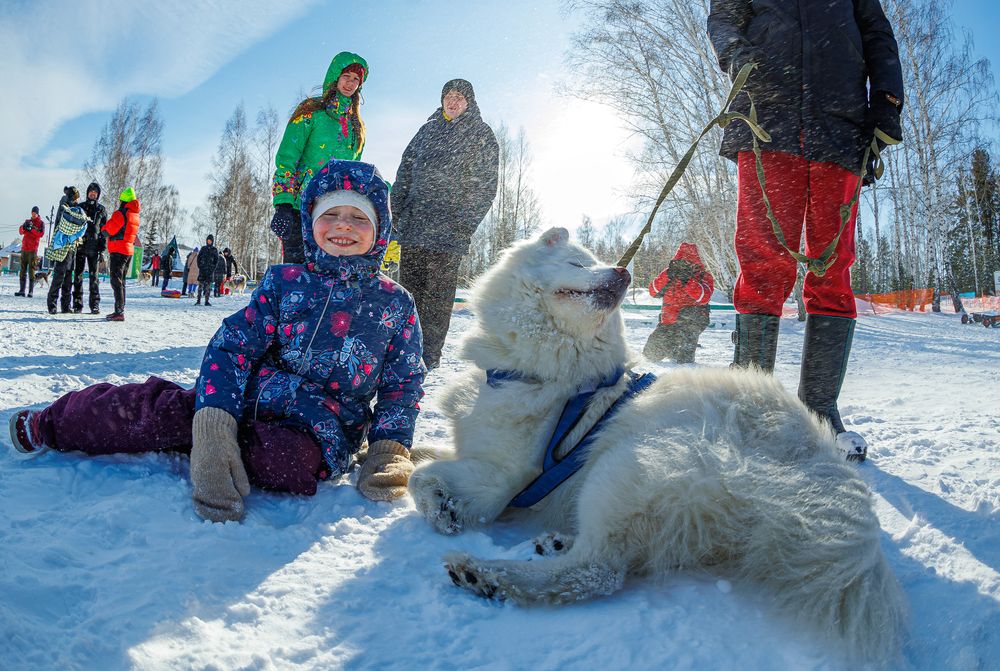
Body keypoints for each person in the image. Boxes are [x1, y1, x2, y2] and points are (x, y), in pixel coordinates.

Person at [8, 159, 425, 522]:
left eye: (359, 218)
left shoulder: (395, 304)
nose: (343, 227)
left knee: (291, 464)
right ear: (310, 220)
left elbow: (401, 385)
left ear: (380, 231)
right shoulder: (285, 282)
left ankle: (217, 449)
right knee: (152, 410)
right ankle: (53, 422)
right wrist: (213, 424)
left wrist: (389, 447)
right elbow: (233, 346)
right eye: (331, 214)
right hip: (240, 397)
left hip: (319, 427)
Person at [708, 0, 904, 461]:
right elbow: (723, 17)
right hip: (766, 121)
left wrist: (887, 107)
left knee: (833, 267)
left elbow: (878, 36)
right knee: (762, 261)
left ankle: (820, 408)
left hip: (841, 129)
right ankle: (748, 405)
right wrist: (738, 56)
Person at [391, 78, 499, 369]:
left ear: (469, 102)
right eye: (448, 96)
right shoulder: (426, 131)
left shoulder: (481, 134)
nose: (453, 102)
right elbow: (404, 174)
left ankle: (429, 357)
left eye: (459, 97)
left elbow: (486, 186)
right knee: (408, 295)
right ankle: (403, 351)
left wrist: (463, 225)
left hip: (448, 234)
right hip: (414, 227)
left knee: (437, 301)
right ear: (441, 100)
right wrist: (397, 215)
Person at [270, 51, 369, 265]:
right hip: (300, 208)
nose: (350, 83)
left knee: (328, 276)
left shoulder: (357, 126)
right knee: (297, 275)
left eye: (356, 80)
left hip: (335, 212)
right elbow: (287, 158)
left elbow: (354, 172)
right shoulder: (311, 112)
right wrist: (283, 204)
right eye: (346, 76)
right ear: (335, 77)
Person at [643, 243, 715, 364]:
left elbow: (704, 297)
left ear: (695, 264)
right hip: (667, 324)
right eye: (680, 263)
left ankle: (678, 350)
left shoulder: (704, 276)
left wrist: (687, 281)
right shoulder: (669, 274)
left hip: (690, 324)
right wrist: (667, 275)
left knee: (684, 362)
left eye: (687, 264)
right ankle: (672, 347)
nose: (684, 267)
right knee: (649, 356)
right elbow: (653, 291)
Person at [99, 187, 140, 322]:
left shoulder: (121, 213)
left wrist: (102, 229)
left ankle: (119, 312)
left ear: (123, 200)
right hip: (128, 250)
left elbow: (109, 229)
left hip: (118, 250)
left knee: (115, 280)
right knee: (121, 281)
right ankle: (120, 309)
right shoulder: (135, 215)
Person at [46, 186, 88, 314]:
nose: (78, 200)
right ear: (73, 196)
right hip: (63, 247)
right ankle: (52, 304)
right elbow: (61, 224)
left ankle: (65, 306)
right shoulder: (64, 206)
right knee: (59, 276)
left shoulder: (73, 206)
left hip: (72, 248)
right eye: (76, 197)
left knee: (68, 278)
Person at [72, 182, 108, 314]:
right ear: (87, 193)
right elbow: (74, 225)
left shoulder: (101, 210)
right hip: (81, 246)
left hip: (95, 248)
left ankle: (94, 305)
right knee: (78, 276)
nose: (93, 193)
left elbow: (104, 229)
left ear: (98, 195)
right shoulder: (80, 207)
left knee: (94, 277)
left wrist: (102, 246)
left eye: (95, 192)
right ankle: (77, 304)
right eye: (91, 191)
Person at [15, 206, 44, 298]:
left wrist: (32, 229)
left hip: (33, 250)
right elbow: (20, 232)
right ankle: (22, 290)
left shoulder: (41, 223)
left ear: (37, 213)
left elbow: (41, 234)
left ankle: (30, 291)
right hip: (24, 249)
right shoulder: (27, 221)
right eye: (32, 213)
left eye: (35, 213)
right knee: (22, 270)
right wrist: (23, 227)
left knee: (31, 270)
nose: (33, 214)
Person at [196, 235, 220, 306]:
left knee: (208, 287)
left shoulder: (214, 250)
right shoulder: (203, 248)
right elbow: (198, 258)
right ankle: (198, 300)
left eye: (210, 240)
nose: (209, 241)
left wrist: (212, 269)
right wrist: (200, 266)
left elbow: (216, 261)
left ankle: (207, 301)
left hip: (210, 271)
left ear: (212, 241)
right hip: (202, 270)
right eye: (208, 240)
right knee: (200, 286)